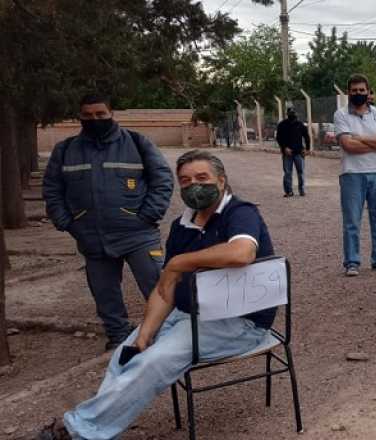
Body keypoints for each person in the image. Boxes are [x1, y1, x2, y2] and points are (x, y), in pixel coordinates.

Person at [38, 150, 276, 440]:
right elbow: (166, 290)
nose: (194, 186)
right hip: (188, 313)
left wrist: (179, 262)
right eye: (185, 181)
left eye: (202, 178)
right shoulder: (182, 225)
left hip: (239, 322)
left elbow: (241, 253)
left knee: (153, 361)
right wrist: (145, 334)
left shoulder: (240, 213)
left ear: (221, 181)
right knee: (126, 355)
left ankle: (75, 431)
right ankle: (95, 427)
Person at [42, 93, 174, 351]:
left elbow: (162, 180)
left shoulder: (137, 143)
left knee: (158, 286)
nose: (95, 119)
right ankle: (118, 336)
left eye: (100, 114)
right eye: (88, 115)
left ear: (111, 114)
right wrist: (67, 222)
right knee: (104, 293)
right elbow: (52, 190)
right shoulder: (66, 150)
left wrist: (147, 216)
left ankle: (169, 333)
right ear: (80, 116)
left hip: (138, 235)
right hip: (92, 237)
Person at [335, 74, 376, 276]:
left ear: (368, 92)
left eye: (362, 90)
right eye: (354, 90)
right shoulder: (341, 115)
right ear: (348, 92)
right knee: (352, 221)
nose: (358, 93)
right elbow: (348, 145)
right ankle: (352, 262)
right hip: (351, 174)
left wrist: (361, 138)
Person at [275, 108, 311, 197]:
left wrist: (307, 149)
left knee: (301, 172)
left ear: (296, 114)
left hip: (299, 152)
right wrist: (284, 148)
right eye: (291, 113)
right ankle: (289, 191)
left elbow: (307, 137)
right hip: (287, 153)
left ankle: (301, 190)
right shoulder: (282, 125)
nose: (292, 115)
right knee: (288, 173)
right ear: (287, 114)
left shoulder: (300, 124)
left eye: (293, 113)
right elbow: (279, 138)